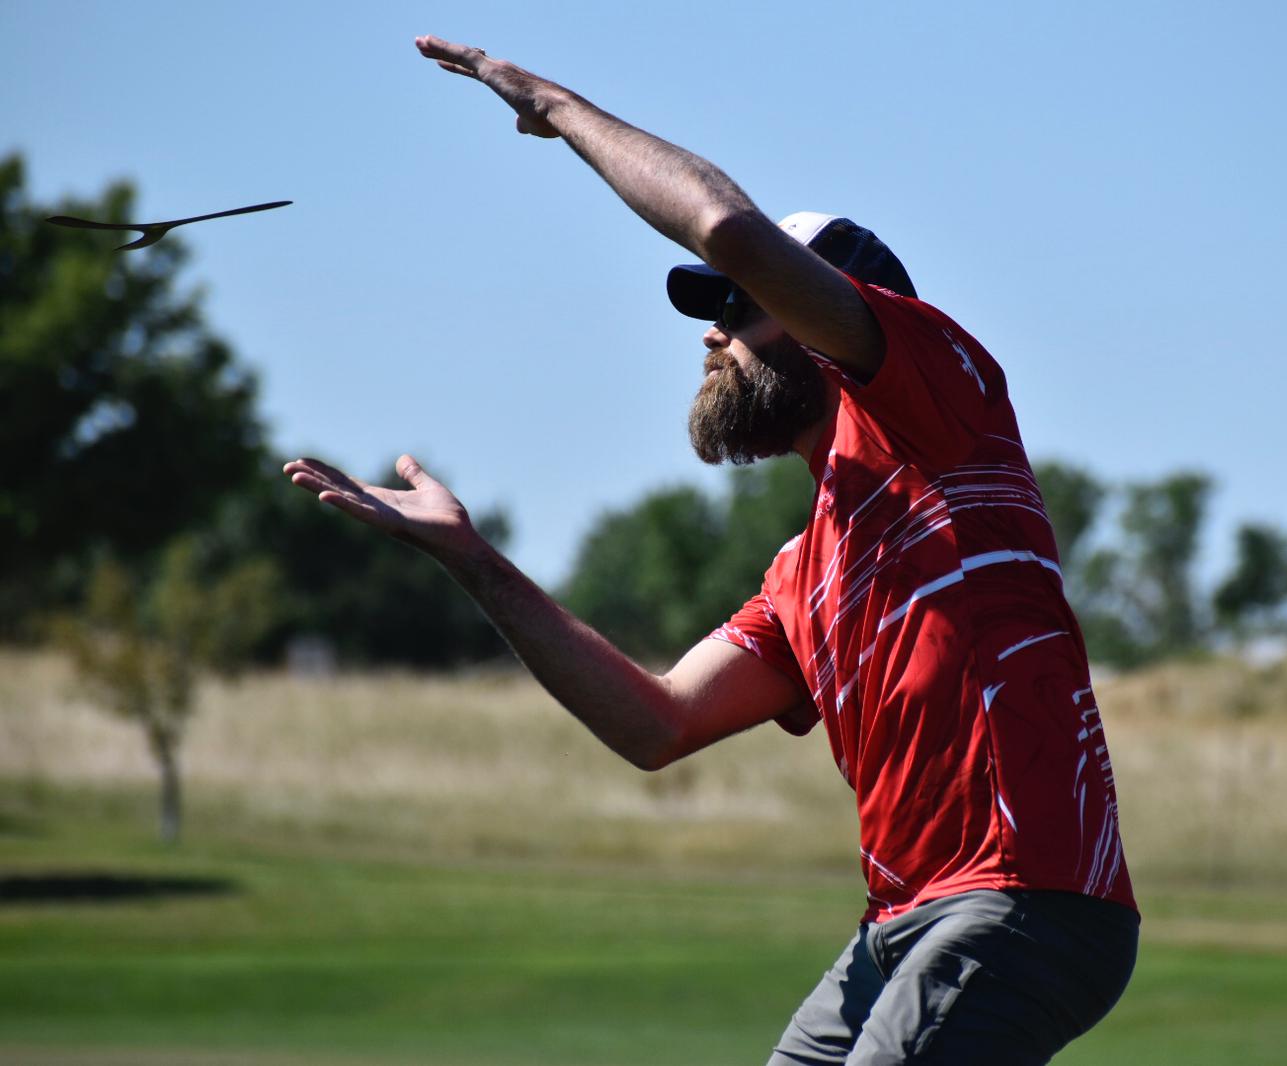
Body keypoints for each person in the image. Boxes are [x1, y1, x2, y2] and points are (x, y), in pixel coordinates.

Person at [284, 35, 1139, 1066]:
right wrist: (471, 559)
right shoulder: (804, 567)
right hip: (899, 925)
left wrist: (553, 106)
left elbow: (726, 225)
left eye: (736, 308)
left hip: (1024, 901)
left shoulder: (939, 410)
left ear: (821, 317)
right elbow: (657, 723)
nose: (711, 335)